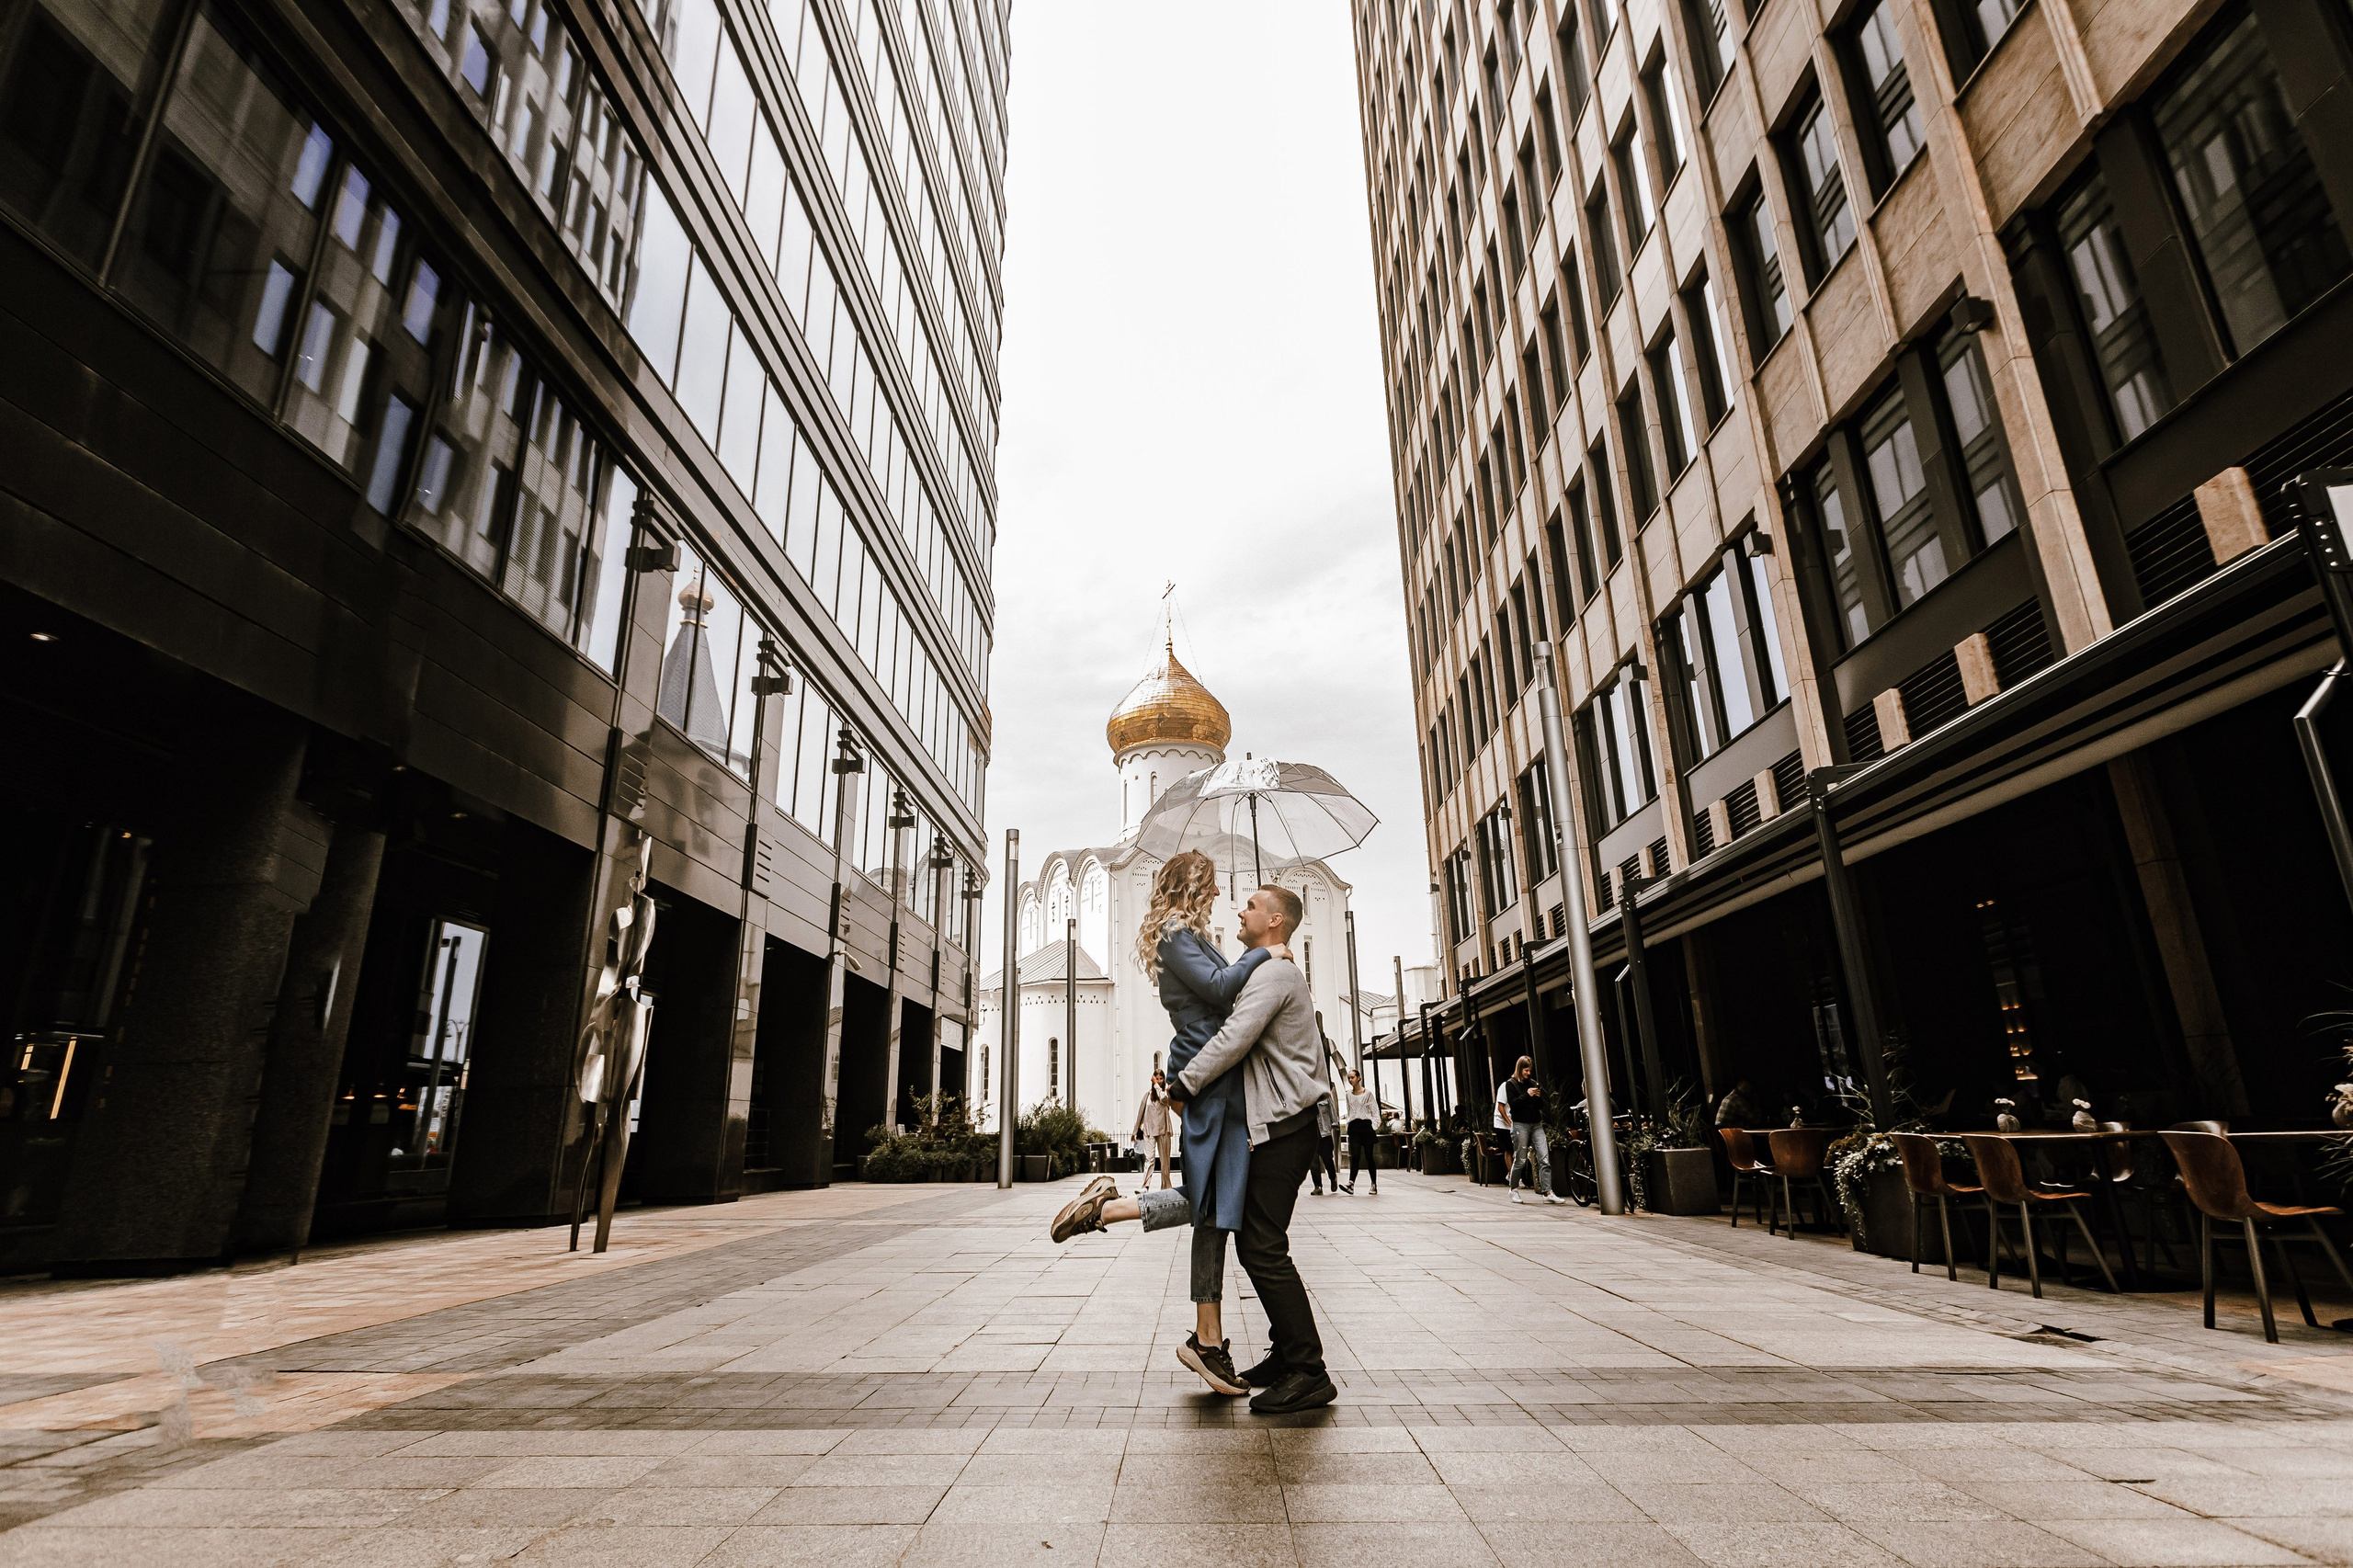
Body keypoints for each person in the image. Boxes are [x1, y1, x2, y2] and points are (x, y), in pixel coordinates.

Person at [1048, 851, 1283, 1398]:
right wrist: (1265, 953)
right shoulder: (1176, 936)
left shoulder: (1190, 936)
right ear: (1193, 885)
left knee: (1216, 1205)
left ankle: (1209, 1339)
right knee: (1212, 1201)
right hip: (1205, 1071)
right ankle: (1109, 1213)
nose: (1218, 895)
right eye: (1212, 885)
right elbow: (1223, 990)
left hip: (1218, 1073)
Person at [1502, 1056, 1564, 1205]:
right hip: (1520, 1124)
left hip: (1536, 1124)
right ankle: (1513, 1189)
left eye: (1530, 1070)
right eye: (1526, 1070)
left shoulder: (1533, 1083)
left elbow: (1540, 1106)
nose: (1528, 1073)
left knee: (1544, 1157)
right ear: (1520, 1069)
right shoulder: (1510, 1084)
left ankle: (1547, 1192)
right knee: (1521, 1159)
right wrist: (1527, 1095)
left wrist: (1537, 1096)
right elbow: (1513, 1105)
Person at [1132, 1070, 1176, 1191]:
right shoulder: (1147, 1095)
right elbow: (1141, 1113)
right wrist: (1135, 1131)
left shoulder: (1166, 1094)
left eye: (1161, 1078)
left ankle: (1166, 1187)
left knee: (1165, 1161)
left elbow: (1164, 1100)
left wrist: (1156, 1085)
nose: (1159, 1081)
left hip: (1163, 1130)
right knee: (1149, 1159)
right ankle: (1145, 1186)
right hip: (1149, 1131)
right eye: (1156, 1078)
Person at [1342, 1069, 1378, 1194]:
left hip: (1366, 1126)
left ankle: (1374, 1184)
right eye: (1349, 1078)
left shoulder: (1367, 1094)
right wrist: (1348, 1124)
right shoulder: (1348, 1094)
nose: (1350, 1080)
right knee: (1355, 1156)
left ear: (1359, 1078)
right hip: (1354, 1127)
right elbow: (1349, 1111)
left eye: (1352, 1077)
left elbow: (1375, 1110)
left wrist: (1374, 1126)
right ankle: (1351, 1184)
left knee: (1369, 1156)